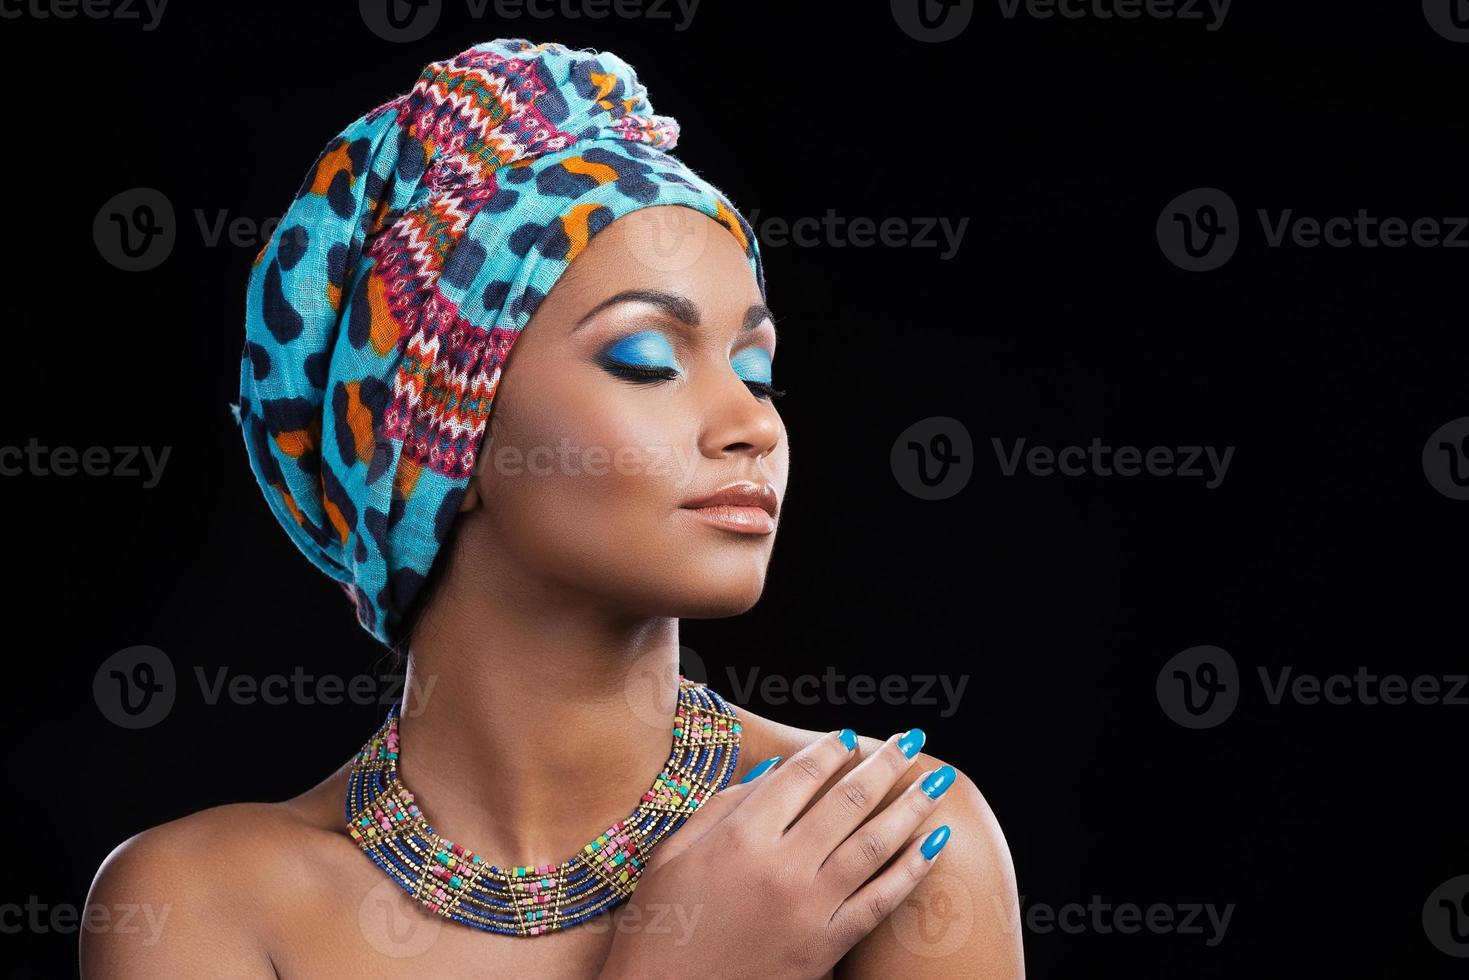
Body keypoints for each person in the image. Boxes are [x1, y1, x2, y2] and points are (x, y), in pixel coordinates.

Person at [81, 38, 1023, 978]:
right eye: (646, 361)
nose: (753, 425)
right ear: (442, 436)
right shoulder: (197, 902)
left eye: (757, 372)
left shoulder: (872, 844)